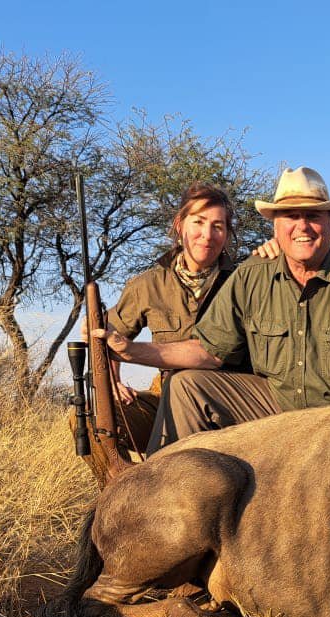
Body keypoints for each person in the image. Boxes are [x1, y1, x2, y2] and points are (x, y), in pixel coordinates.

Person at [95, 167, 330, 453]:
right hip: (273, 407)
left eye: (313, 215)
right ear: (275, 226)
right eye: (291, 217)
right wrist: (129, 350)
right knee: (186, 387)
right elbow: (207, 352)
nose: (302, 226)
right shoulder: (251, 275)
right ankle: (162, 499)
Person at [74, 182, 239, 482]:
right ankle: (114, 492)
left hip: (225, 406)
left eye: (218, 226)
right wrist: (110, 380)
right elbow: (109, 335)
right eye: (198, 223)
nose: (207, 235)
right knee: (88, 416)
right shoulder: (147, 284)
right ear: (179, 225)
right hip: (164, 397)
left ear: (227, 234)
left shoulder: (243, 281)